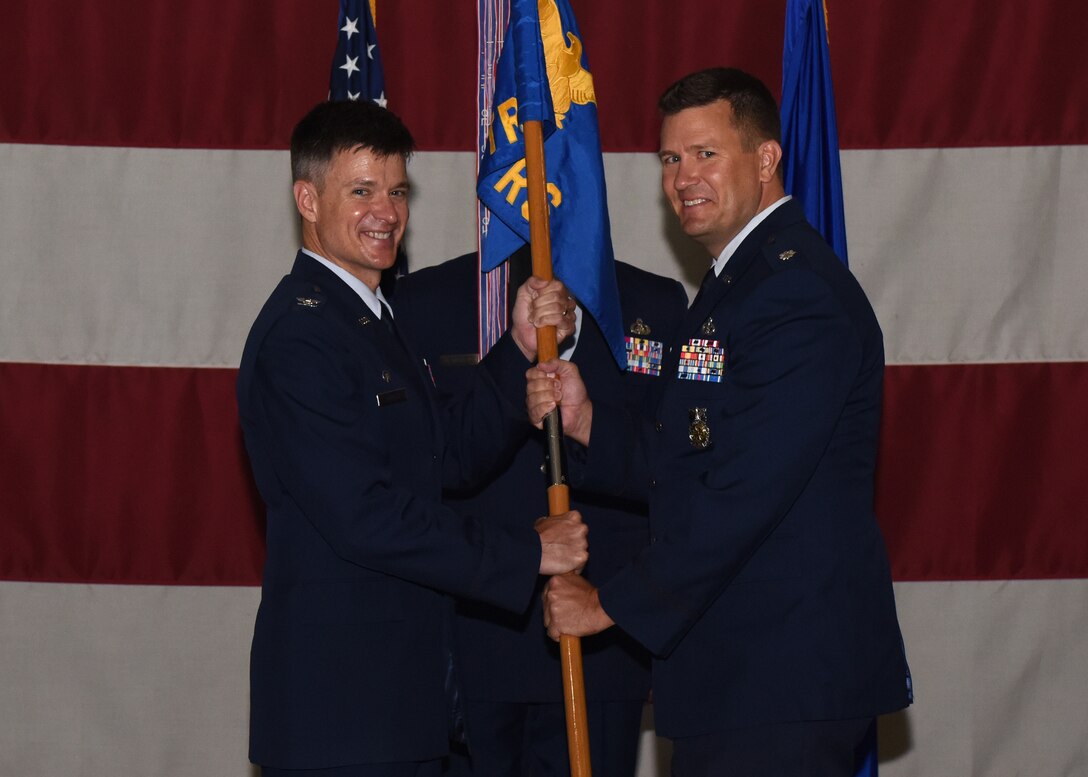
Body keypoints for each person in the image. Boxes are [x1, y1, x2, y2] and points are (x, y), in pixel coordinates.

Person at [529, 67, 912, 776]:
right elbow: (696, 452)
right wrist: (588, 424)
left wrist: (610, 604)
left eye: (706, 153)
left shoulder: (794, 292)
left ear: (765, 160)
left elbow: (744, 491)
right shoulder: (738, 285)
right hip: (740, 676)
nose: (683, 178)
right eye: (670, 158)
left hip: (780, 677)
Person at [236, 99, 588, 777]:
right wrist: (527, 552)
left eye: (397, 192)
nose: (386, 212)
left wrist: (517, 349)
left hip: (401, 704)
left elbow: (440, 457)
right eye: (361, 191)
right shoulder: (301, 338)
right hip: (342, 718)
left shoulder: (366, 318)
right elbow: (366, 516)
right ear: (307, 199)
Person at [393, 247, 687, 776]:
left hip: (604, 652)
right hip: (476, 646)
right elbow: (423, 468)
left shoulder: (655, 301)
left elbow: (674, 474)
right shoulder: (427, 299)